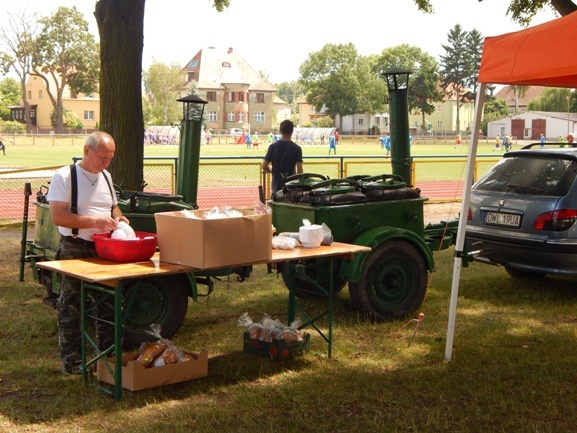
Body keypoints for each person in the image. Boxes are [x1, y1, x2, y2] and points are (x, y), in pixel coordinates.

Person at [46, 131, 129, 375]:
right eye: (103, 156)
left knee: (109, 302)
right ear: (86, 150)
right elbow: (58, 216)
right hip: (75, 246)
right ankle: (72, 361)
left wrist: (118, 218)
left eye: (110, 157)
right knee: (72, 305)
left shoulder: (106, 176)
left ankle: (109, 357)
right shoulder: (64, 176)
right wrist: (95, 220)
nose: (106, 162)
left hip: (104, 247)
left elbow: (113, 206)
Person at [261, 120, 303, 194]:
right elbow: (299, 171)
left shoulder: (273, 147)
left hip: (276, 186)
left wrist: (272, 171)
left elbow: (264, 166)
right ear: (292, 131)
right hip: (291, 187)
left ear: (280, 130)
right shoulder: (297, 148)